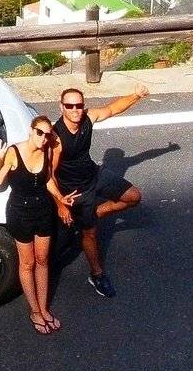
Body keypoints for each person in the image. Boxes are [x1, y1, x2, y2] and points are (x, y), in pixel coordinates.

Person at [45, 85, 148, 299]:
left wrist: (136, 95)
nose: (75, 110)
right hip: (76, 190)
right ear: (61, 107)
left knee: (133, 197)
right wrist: (61, 204)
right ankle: (97, 274)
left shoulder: (88, 118)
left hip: (95, 175)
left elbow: (112, 108)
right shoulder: (57, 138)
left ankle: (91, 216)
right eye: (69, 106)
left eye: (79, 105)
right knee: (89, 234)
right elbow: (49, 175)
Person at [0, 115, 62, 335]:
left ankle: (44, 308)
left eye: (47, 134)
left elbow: (47, 180)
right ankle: (34, 311)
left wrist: (61, 198)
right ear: (31, 131)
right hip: (20, 213)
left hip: (43, 211)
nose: (43, 138)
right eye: (39, 132)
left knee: (42, 260)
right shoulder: (14, 152)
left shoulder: (46, 151)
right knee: (28, 263)